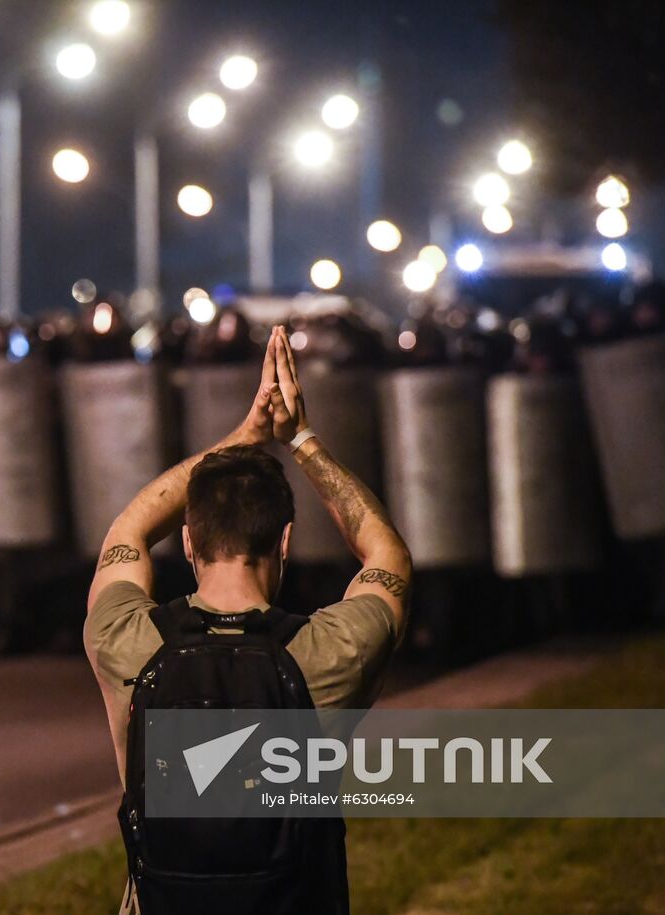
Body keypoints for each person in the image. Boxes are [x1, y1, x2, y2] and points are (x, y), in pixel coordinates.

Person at [84, 326, 411, 914]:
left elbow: (128, 530)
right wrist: (301, 439)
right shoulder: (329, 654)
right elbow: (387, 556)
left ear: (188, 542)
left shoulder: (127, 642)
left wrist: (245, 437)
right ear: (285, 542)